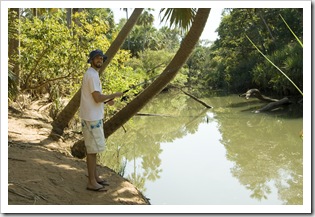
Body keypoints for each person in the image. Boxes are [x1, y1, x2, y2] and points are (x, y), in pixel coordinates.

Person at [79, 49, 122, 192]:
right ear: (91, 60)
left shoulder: (92, 74)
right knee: (92, 150)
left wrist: (107, 100)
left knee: (94, 149)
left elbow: (95, 98)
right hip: (92, 118)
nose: (100, 60)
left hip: (91, 116)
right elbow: (97, 98)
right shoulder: (92, 76)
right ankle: (91, 182)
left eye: (101, 58)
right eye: (97, 58)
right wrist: (114, 95)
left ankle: (95, 177)